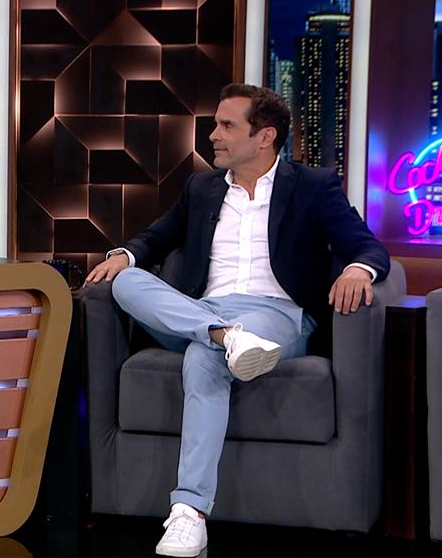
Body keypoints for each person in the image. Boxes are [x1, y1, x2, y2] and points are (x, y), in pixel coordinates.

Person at [85, 83, 390, 557]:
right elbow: (156, 237)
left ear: (264, 136)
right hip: (201, 312)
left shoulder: (313, 186)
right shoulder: (202, 188)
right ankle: (224, 336)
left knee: (203, 360)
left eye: (227, 126)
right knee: (125, 282)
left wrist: (357, 269)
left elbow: (368, 247)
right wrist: (125, 255)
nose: (213, 136)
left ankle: (189, 513)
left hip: (275, 315)